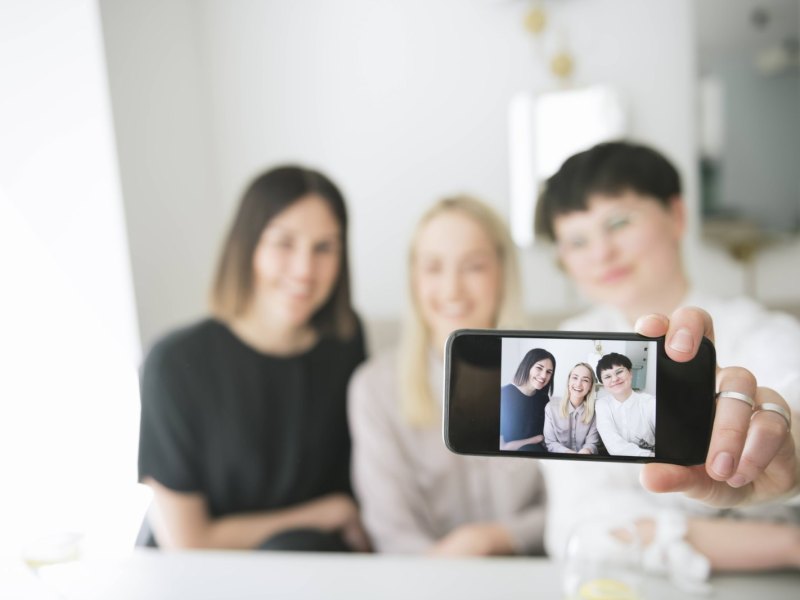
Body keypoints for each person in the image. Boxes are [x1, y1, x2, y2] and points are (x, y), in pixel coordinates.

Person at [535, 140, 800, 572]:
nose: (602, 254)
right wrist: (788, 544)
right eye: (577, 241)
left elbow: (791, 419)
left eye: (618, 222)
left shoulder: (766, 335)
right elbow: (581, 526)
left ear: (676, 215)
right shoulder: (567, 354)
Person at [137, 165, 370, 552]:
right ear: (248, 246)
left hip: (312, 569)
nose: (304, 270)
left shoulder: (345, 342)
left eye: (324, 247)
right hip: (206, 580)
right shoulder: (174, 365)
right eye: (284, 243)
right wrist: (325, 512)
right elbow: (188, 542)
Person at [348, 196, 546, 556]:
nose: (452, 289)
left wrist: (492, 538)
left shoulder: (549, 374)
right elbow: (391, 530)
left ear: (503, 273)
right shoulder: (375, 388)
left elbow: (569, 508)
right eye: (433, 268)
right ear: (413, 279)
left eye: (473, 267)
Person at [594, 352, 655, 457]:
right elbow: (613, 444)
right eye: (607, 376)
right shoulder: (602, 405)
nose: (614, 379)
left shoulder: (650, 402)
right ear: (603, 383)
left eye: (619, 372)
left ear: (631, 373)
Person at [500, 348, 555, 452]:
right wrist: (536, 439)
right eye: (539, 368)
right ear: (527, 366)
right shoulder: (503, 395)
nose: (544, 376)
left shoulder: (543, 398)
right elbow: (502, 446)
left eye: (549, 372)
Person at [543, 362, 600, 454]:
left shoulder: (595, 410)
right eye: (575, 378)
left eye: (585, 380)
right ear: (568, 381)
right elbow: (551, 443)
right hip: (559, 460)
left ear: (590, 386)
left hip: (585, 460)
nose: (578, 384)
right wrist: (570, 455)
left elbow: (592, 444)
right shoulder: (551, 408)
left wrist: (585, 452)